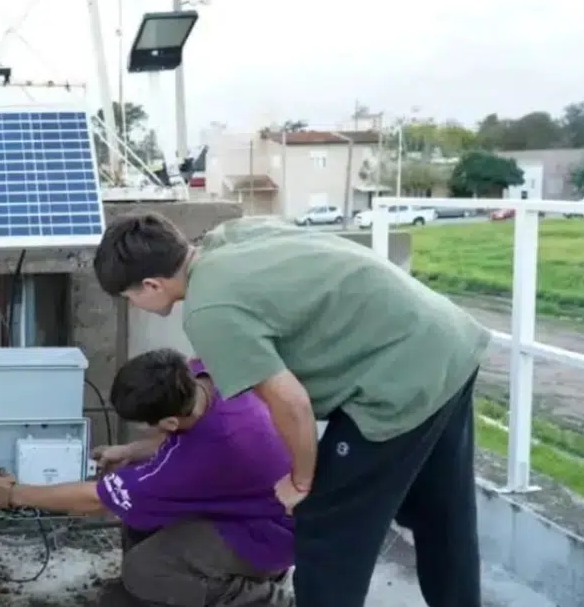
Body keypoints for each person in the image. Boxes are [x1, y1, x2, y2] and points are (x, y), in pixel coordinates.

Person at [92, 213, 490, 607]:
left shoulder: (206, 310)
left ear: (151, 284)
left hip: (397, 378)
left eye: (131, 298)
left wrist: (300, 483)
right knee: (442, 514)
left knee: (324, 526)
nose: (137, 305)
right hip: (446, 339)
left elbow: (291, 402)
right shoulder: (233, 235)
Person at [0, 349, 295, 607]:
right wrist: (130, 451)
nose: (147, 430)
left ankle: (267, 597)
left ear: (171, 421)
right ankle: (165, 589)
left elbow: (96, 499)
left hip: (266, 536)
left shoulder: (195, 459)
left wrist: (15, 494)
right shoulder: (209, 371)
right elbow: (185, 440)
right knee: (142, 521)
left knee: (142, 570)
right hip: (253, 503)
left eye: (148, 424)